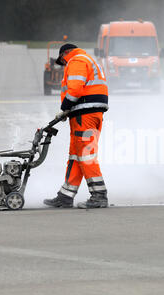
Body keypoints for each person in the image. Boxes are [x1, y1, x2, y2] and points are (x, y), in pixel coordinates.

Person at [44, 44, 109, 208]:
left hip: (85, 114)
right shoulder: (86, 60)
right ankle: (65, 196)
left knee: (86, 154)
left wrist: (64, 107)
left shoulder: (77, 60)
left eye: (62, 60)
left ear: (65, 53)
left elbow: (75, 89)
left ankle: (99, 196)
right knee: (76, 155)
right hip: (85, 112)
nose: (64, 64)